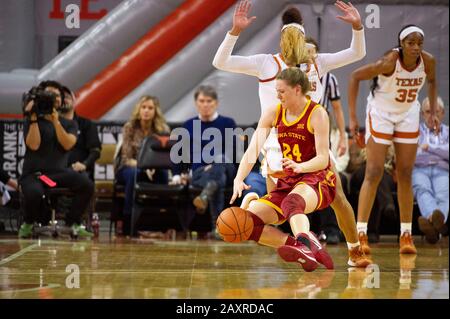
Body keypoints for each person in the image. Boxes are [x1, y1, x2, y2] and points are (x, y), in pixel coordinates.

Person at [213, 0, 371, 266]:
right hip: (276, 146)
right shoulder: (266, 64)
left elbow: (356, 54)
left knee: (339, 200)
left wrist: (358, 26)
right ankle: (301, 244)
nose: (290, 42)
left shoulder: (318, 63)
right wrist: (235, 32)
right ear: (281, 40)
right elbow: (221, 62)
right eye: (287, 37)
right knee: (282, 209)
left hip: (312, 139)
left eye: (295, 36)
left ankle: (354, 249)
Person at [227, 68, 336, 272]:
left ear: (297, 89)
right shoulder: (274, 112)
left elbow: (323, 158)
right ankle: (298, 247)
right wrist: (238, 178)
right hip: (289, 181)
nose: (277, 95)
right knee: (245, 224)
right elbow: (253, 149)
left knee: (292, 202)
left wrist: (300, 166)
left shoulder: (317, 113)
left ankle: (305, 242)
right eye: (276, 91)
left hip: (318, 178)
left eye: (281, 91)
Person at [348, 24, 440, 254]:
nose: (416, 47)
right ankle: (361, 233)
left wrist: (433, 114)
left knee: (406, 173)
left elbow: (432, 81)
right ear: (401, 44)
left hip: (408, 112)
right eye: (411, 43)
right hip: (381, 112)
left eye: (419, 43)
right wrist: (352, 116)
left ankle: (406, 235)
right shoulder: (388, 62)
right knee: (374, 171)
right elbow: (355, 76)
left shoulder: (428, 62)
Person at [18, 80, 94, 238]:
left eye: (57, 95)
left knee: (86, 184)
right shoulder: (32, 120)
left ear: (61, 99)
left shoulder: (70, 123)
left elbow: (67, 144)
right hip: (36, 175)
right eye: (49, 94)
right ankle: (29, 223)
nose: (53, 98)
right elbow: (33, 145)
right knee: (34, 193)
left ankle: (72, 222)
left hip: (57, 175)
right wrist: (32, 118)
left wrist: (55, 121)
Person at [172, 85, 237, 239]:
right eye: (202, 101)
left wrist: (214, 164)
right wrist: (176, 175)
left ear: (216, 103)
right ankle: (218, 227)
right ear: (196, 103)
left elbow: (233, 152)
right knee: (216, 181)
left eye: (209, 101)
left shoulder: (227, 123)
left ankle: (206, 198)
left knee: (220, 162)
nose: (205, 105)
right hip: (200, 173)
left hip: (225, 168)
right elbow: (178, 153)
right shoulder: (188, 125)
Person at [115, 95, 170, 233]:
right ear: (138, 110)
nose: (146, 111)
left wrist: (152, 167)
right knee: (134, 174)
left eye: (150, 108)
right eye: (143, 107)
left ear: (155, 111)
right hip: (129, 167)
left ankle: (160, 220)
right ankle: (129, 221)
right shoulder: (130, 127)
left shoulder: (162, 129)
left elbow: (164, 157)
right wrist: (144, 167)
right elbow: (126, 158)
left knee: (162, 174)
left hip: (153, 168)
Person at [413, 96, 448, 243]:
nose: (432, 116)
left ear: (443, 113)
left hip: (442, 169)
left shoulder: (447, 132)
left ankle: (430, 222)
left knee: (444, 194)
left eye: (436, 112)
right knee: (422, 189)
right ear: (422, 114)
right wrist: (439, 151)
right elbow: (413, 155)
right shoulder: (414, 132)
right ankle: (436, 222)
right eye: (428, 112)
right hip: (420, 169)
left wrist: (430, 148)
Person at [60, 86, 101, 180]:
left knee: (83, 183)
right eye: (61, 97)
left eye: (67, 97)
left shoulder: (86, 124)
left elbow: (96, 151)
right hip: (56, 172)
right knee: (41, 182)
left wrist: (84, 164)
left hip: (79, 171)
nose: (64, 100)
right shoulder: (52, 124)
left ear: (74, 102)